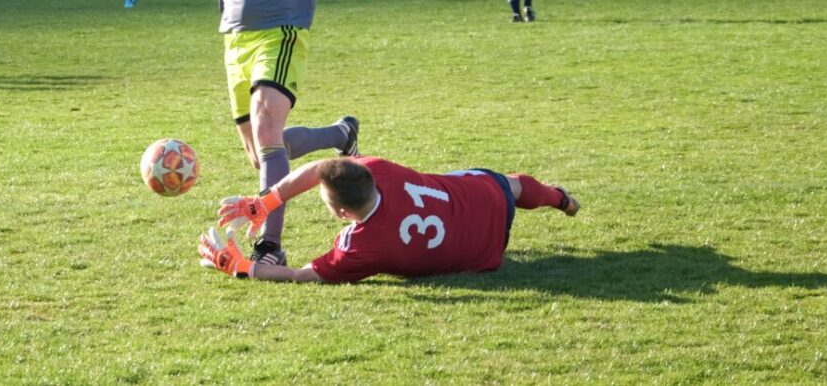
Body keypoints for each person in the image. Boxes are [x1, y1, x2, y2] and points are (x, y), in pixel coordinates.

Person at [84, 0, 395, 265]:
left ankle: (270, 247)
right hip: (234, 39)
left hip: (282, 31)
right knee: (260, 154)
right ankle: (340, 134)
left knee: (267, 130)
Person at [199, 128, 580, 283]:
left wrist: (241, 266)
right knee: (511, 184)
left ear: (343, 214)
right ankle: (560, 199)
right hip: (488, 197)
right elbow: (320, 169)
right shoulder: (381, 169)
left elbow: (301, 275)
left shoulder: (361, 249)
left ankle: (556, 197)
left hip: (486, 255)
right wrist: (264, 202)